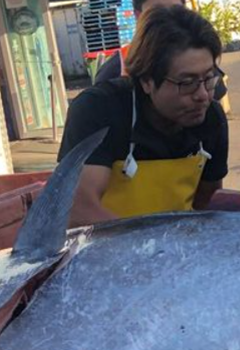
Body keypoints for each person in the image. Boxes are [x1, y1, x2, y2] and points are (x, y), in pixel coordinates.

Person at [59, 5, 229, 226]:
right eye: (187, 83)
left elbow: (208, 204)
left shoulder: (211, 118)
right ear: (147, 80)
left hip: (178, 250)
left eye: (209, 78)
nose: (203, 95)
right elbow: (78, 207)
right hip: (104, 250)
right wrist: (151, 250)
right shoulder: (99, 110)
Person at [93, 0, 228, 102]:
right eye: (157, 14)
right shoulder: (112, 73)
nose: (170, 22)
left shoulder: (198, 56)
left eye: (177, 11)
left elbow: (218, 93)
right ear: (138, 16)